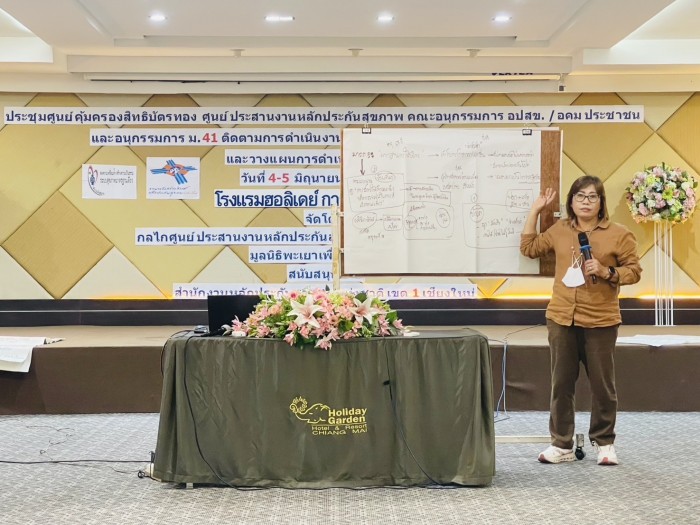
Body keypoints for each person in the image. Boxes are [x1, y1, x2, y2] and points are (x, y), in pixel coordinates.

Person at [520, 175, 642, 466]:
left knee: (602, 386)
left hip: (601, 319)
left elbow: (634, 271)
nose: (586, 202)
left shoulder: (619, 233)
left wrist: (607, 271)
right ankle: (561, 444)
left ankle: (604, 442)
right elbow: (529, 248)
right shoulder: (560, 230)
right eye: (580, 196)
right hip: (561, 317)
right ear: (571, 202)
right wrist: (535, 211)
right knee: (561, 384)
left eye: (592, 197)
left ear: (601, 202)